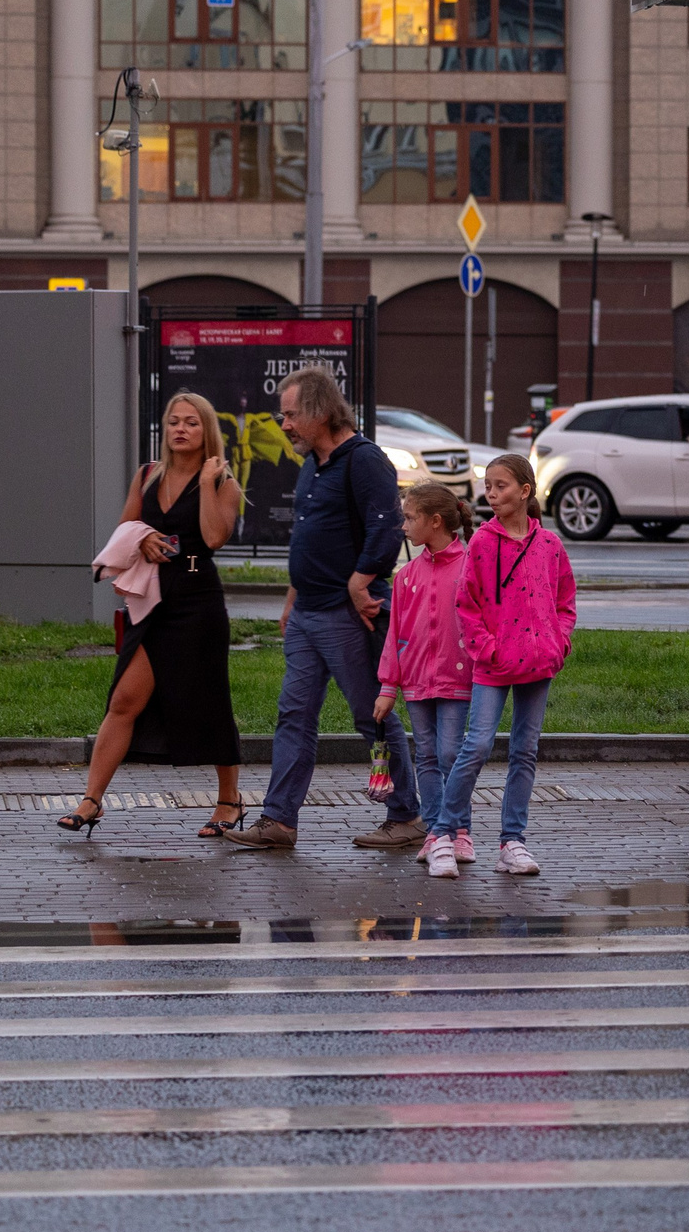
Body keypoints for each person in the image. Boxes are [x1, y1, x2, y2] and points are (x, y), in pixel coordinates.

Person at [223, 366, 423, 853]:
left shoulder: (364, 460)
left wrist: (359, 582)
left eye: (291, 415)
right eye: (281, 415)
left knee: (369, 714)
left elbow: (385, 529)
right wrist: (293, 597)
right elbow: (307, 538)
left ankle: (407, 815)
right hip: (309, 612)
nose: (284, 424)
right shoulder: (313, 462)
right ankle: (279, 821)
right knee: (293, 714)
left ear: (321, 410)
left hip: (345, 613)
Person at [59, 392, 246, 838]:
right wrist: (141, 537)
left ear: (206, 431)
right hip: (154, 604)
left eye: (192, 423)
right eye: (174, 422)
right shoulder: (147, 476)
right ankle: (91, 800)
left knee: (210, 702)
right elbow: (126, 526)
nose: (181, 429)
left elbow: (215, 537)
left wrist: (205, 483)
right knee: (124, 699)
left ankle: (229, 801)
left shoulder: (223, 481)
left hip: (198, 602)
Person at [446, 453, 575, 875]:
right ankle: (443, 832)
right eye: (488, 486)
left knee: (525, 750)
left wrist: (559, 642)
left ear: (524, 492)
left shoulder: (551, 545)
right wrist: (487, 649)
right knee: (478, 744)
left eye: (500, 486)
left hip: (539, 664)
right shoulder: (482, 542)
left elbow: (565, 602)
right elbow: (466, 604)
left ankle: (512, 842)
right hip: (494, 665)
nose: (491, 493)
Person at [375, 481, 476, 877]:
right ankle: (437, 833)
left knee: (453, 755)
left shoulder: (471, 567)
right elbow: (394, 633)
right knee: (428, 757)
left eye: (410, 517)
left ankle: (458, 830)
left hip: (459, 678)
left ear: (435, 522)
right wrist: (388, 686)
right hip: (417, 682)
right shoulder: (406, 577)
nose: (404, 525)